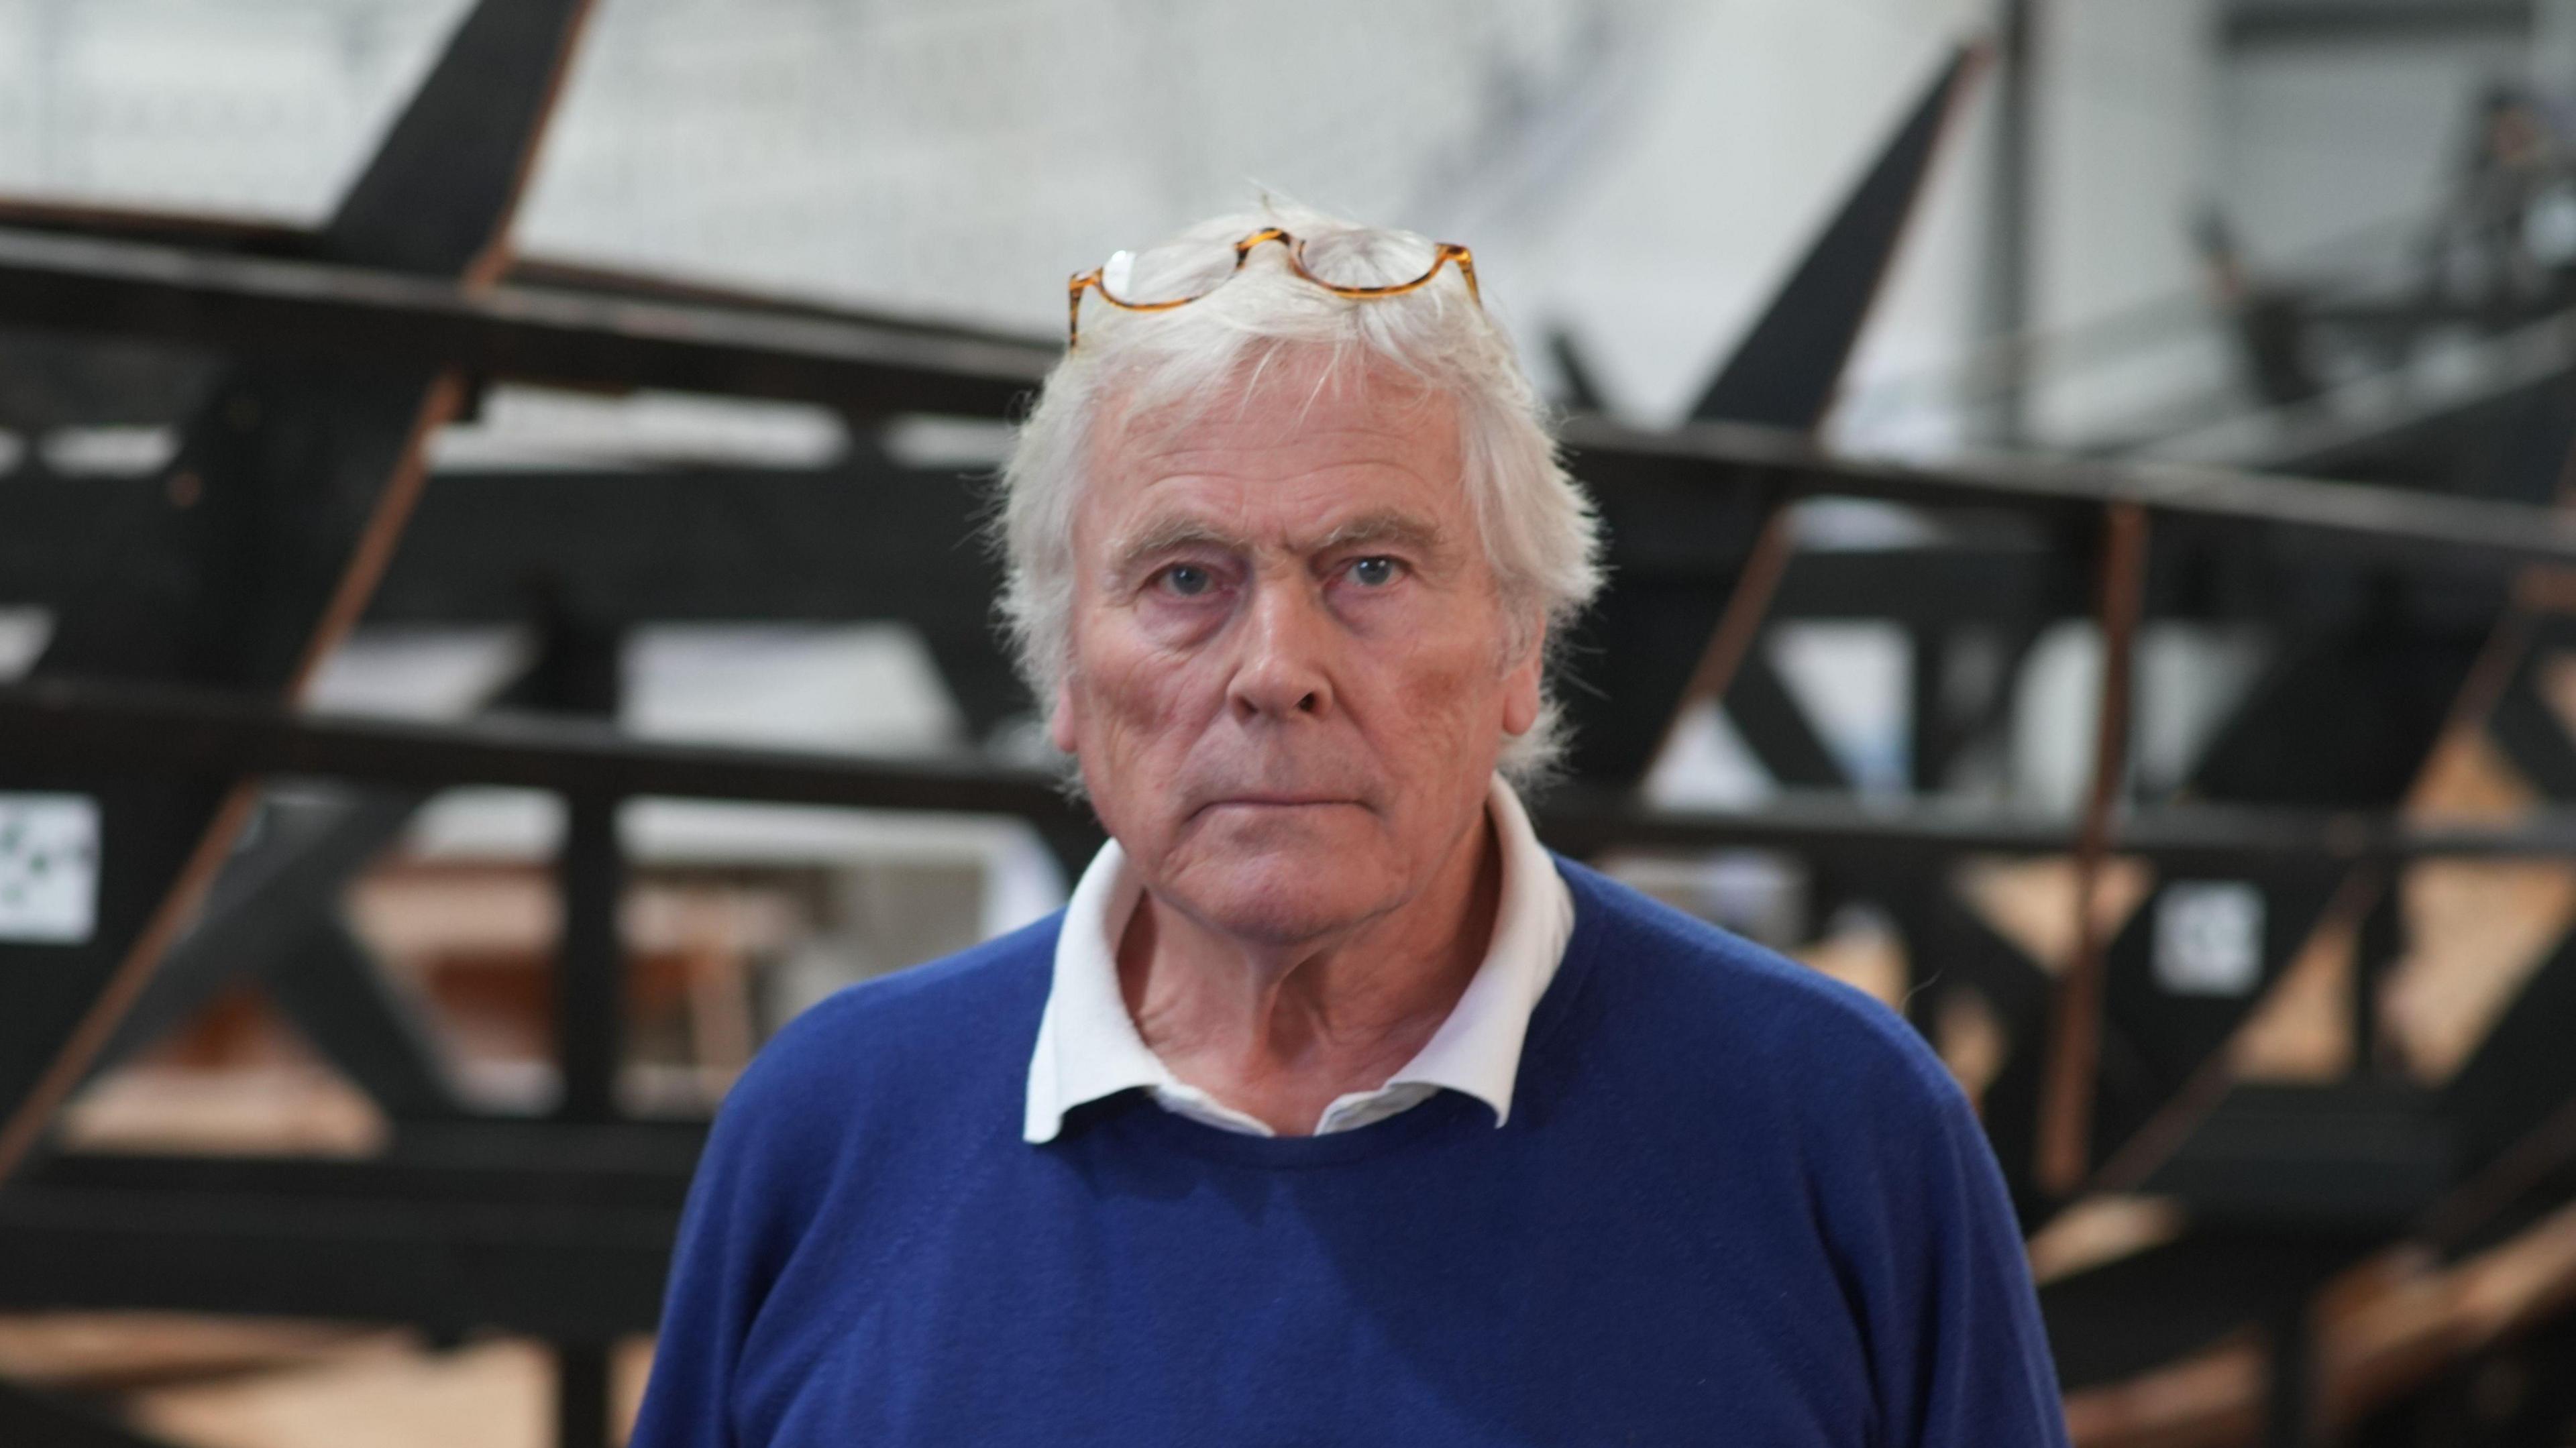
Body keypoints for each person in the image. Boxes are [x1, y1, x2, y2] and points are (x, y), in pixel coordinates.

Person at [629, 204, 2069, 1446]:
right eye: (1185, 578)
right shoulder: (830, 1136)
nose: (1275, 669)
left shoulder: (1832, 1136)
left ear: (1520, 647)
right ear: (1062, 668)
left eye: (1369, 568)